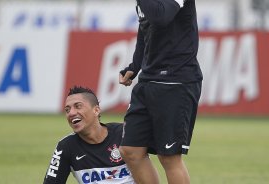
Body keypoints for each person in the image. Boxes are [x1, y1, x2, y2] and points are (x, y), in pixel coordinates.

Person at [119, 0, 203, 183]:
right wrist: (135, 65)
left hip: (176, 81)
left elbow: (161, 17)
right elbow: (145, 28)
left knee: (169, 156)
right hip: (148, 80)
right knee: (131, 150)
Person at [43, 86, 135, 184]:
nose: (71, 113)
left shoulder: (124, 133)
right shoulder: (66, 146)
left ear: (96, 110)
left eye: (78, 106)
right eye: (67, 110)